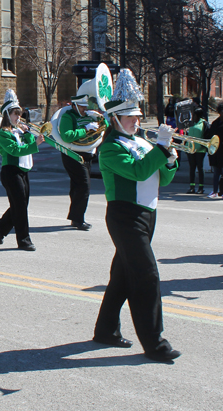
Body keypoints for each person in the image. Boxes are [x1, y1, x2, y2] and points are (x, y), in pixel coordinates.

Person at [93, 68, 181, 363]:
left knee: (122, 277)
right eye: (130, 116)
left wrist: (169, 159)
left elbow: (162, 180)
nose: (137, 120)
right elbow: (139, 171)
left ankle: (105, 330)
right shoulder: (109, 149)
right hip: (124, 216)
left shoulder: (141, 142)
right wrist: (160, 149)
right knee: (146, 276)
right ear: (115, 118)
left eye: (138, 116)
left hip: (147, 215)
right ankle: (155, 343)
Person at [0, 89, 44, 251]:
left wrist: (27, 133)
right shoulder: (4, 133)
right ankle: (24, 240)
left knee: (21, 204)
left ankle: (0, 227)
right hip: (10, 171)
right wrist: (36, 144)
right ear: (7, 114)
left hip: (23, 171)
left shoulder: (18, 131)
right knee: (19, 205)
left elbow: (26, 144)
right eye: (15, 113)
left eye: (19, 113)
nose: (18, 116)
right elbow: (15, 151)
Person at [59, 94, 107, 230]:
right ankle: (78, 218)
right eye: (81, 106)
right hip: (72, 153)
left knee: (77, 186)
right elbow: (66, 136)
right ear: (74, 105)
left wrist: (99, 117)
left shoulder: (89, 115)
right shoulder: (69, 116)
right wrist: (85, 129)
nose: (84, 109)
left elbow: (105, 128)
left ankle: (76, 217)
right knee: (84, 185)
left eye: (86, 106)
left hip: (87, 153)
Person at [185, 107, 208, 194]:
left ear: (198, 115)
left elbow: (206, 135)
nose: (193, 116)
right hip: (191, 149)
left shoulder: (204, 123)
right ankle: (192, 187)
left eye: (194, 115)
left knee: (200, 168)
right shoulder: (191, 123)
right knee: (192, 168)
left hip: (200, 150)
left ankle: (201, 187)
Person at [206, 102, 223, 198]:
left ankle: (222, 191)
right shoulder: (215, 123)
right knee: (216, 173)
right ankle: (215, 191)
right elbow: (210, 136)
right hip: (216, 152)